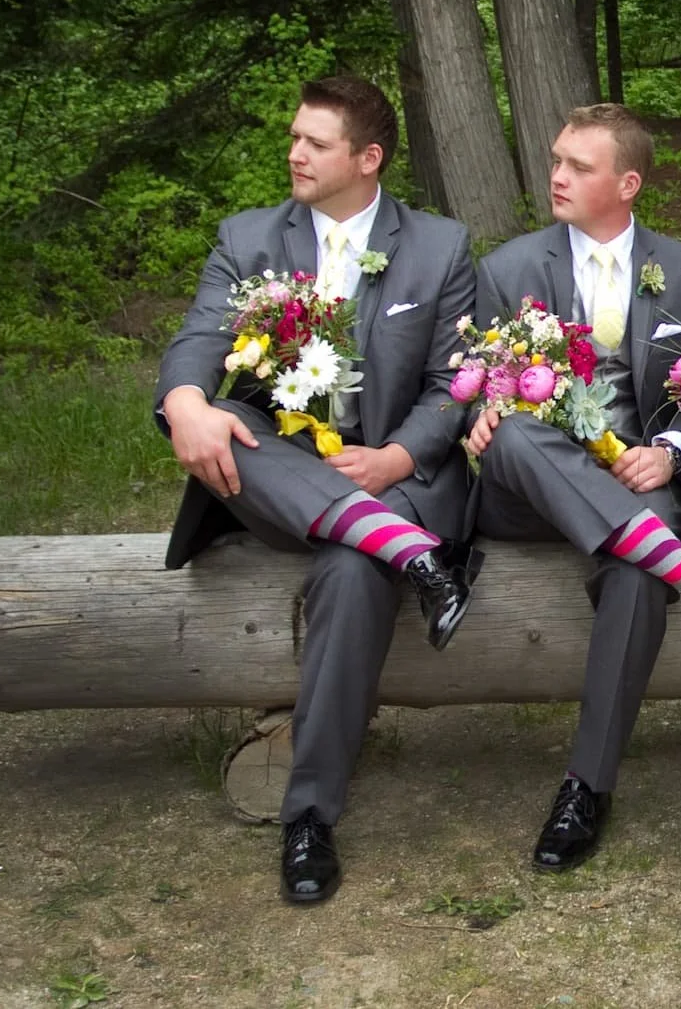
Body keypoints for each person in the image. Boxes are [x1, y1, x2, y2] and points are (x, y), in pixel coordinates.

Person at [156, 75, 476, 904]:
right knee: (224, 411)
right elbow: (201, 332)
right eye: (294, 137)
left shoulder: (438, 246)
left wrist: (398, 460)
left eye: (316, 143)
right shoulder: (249, 237)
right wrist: (184, 400)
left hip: (384, 477)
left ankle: (308, 818)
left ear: (368, 159)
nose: (294, 153)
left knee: (351, 569)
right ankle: (407, 550)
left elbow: (454, 386)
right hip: (271, 479)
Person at [463, 104, 681, 873]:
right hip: (529, 486)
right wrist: (481, 410)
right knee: (514, 431)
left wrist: (670, 452)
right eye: (556, 159)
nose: (557, 176)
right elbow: (466, 382)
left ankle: (586, 787)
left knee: (640, 567)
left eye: (579, 165)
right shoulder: (508, 268)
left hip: (640, 482)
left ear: (627, 183)